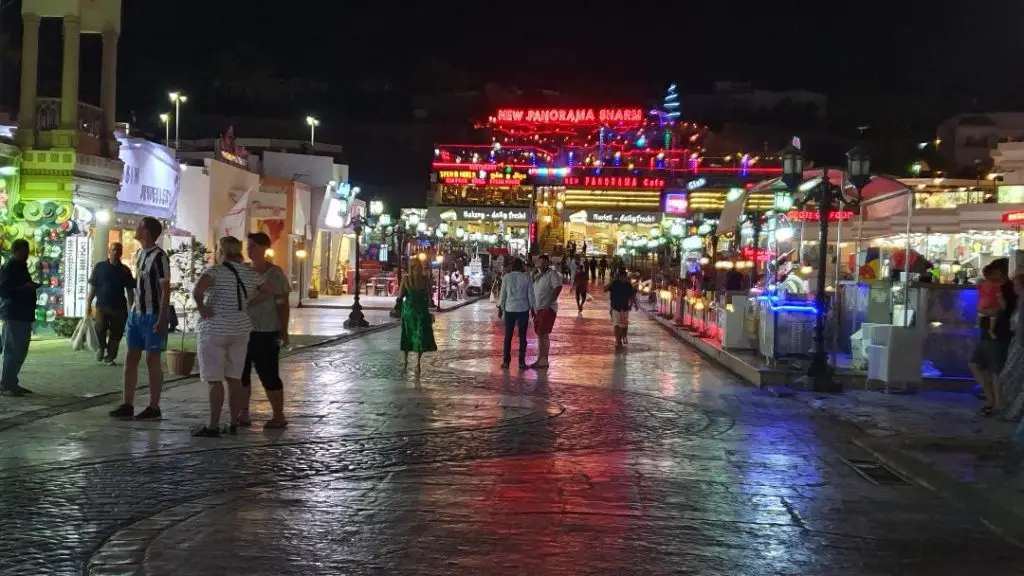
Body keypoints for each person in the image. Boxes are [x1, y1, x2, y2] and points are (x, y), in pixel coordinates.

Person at [190, 236, 264, 437]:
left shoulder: (215, 271)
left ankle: (212, 425)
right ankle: (233, 422)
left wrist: (203, 307)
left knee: (214, 380)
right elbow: (267, 290)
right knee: (234, 378)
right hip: (240, 329)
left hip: (215, 329)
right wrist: (247, 302)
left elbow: (197, 291)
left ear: (220, 250)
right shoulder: (249, 273)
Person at [110, 217, 171, 420]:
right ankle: (127, 402)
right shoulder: (137, 254)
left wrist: (162, 318)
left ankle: (154, 406)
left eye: (139, 226)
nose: (136, 229)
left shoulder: (160, 257)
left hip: (152, 314)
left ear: (146, 231)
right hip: (137, 313)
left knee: (152, 359)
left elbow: (165, 289)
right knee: (131, 358)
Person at [238, 232, 291, 429]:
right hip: (242, 329)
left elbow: (282, 304)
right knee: (241, 372)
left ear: (263, 248)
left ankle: (278, 414)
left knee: (268, 372)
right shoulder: (243, 271)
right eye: (247, 245)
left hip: (266, 330)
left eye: (252, 245)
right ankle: (243, 413)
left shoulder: (274, 274)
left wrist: (284, 330)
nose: (248, 249)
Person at [972, 259, 1016, 416]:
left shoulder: (1006, 288)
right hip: (993, 332)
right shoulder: (1003, 287)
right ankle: (993, 400)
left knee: (992, 369)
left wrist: (987, 313)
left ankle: (995, 402)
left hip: (998, 333)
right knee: (982, 366)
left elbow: (1003, 309)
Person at [85, 242, 135, 366]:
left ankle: (110, 357)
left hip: (119, 307)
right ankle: (101, 347)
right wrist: (88, 303)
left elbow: (129, 290)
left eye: (118, 250)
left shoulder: (125, 270)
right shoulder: (100, 267)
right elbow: (93, 287)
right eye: (113, 249)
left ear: (121, 252)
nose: (115, 252)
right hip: (102, 305)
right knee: (100, 327)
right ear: (109, 251)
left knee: (116, 333)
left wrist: (132, 307)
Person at [0, 239, 38, 396]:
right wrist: (23, 288)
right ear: (17, 251)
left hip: (23, 314)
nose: (27, 254)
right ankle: (7, 384)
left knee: (20, 350)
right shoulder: (10, 267)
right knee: (13, 349)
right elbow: (3, 290)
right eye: (25, 250)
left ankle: (11, 382)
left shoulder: (20, 266)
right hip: (14, 314)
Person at [399, 259, 437, 374]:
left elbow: (400, 295)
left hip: (409, 310)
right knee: (420, 336)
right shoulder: (425, 279)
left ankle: (405, 359)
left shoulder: (406, 279)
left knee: (407, 334)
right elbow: (430, 297)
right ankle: (417, 364)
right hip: (422, 311)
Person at [498, 258, 535, 370]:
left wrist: (501, 308)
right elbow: (531, 295)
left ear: (512, 267)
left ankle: (506, 361)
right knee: (523, 337)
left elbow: (502, 294)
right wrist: (533, 308)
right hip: (523, 310)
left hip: (509, 309)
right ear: (521, 267)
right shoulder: (527, 277)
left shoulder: (506, 277)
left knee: (507, 337)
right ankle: (521, 362)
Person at [531, 254, 562, 370]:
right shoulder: (538, 276)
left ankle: (544, 359)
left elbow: (558, 287)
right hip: (537, 309)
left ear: (548, 263)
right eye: (540, 263)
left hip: (547, 308)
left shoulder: (552, 274)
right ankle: (541, 358)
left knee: (543, 334)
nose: (542, 265)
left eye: (544, 263)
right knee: (540, 334)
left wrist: (549, 303)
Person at [1000, 273, 1024, 421]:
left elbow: (1020, 324)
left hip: (1020, 343)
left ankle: (1014, 411)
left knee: (1013, 376)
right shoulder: (1020, 300)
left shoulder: (1022, 300)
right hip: (1018, 341)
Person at [605, 267, 636, 350]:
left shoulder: (627, 284)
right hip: (616, 307)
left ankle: (621, 338)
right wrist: (612, 281)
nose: (623, 278)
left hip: (623, 308)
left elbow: (631, 295)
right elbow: (605, 289)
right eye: (621, 276)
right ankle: (618, 341)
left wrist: (634, 304)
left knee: (623, 326)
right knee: (617, 325)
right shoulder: (615, 283)